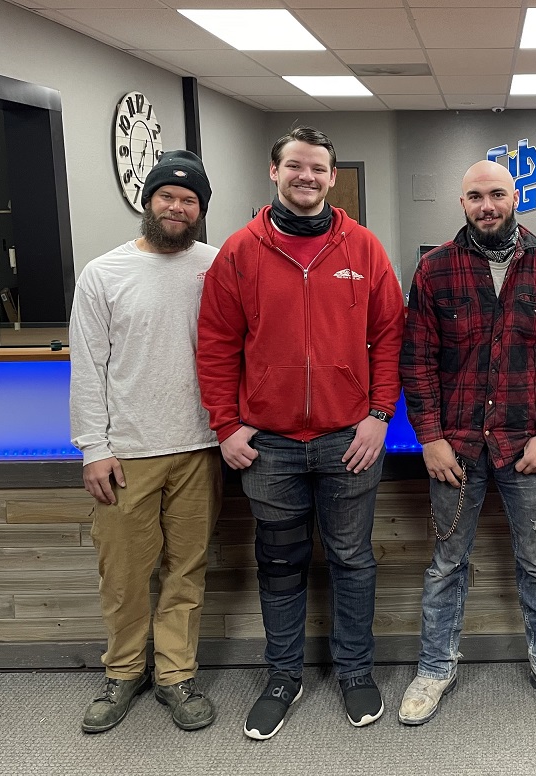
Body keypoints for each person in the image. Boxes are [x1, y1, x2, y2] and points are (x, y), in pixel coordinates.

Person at [197, 126, 405, 739]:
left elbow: (391, 334)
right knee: (280, 563)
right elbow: (215, 346)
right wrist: (226, 426)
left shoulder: (363, 249)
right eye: (295, 167)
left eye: (317, 169)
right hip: (269, 446)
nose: (306, 177)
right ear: (274, 172)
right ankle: (283, 676)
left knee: (351, 561)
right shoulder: (240, 251)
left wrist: (378, 415)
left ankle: (355, 671)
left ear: (331, 178)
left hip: (349, 440)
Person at [397, 159, 536, 725]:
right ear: (462, 203)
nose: (487, 205)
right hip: (455, 449)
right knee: (445, 565)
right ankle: (434, 669)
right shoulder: (434, 269)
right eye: (476, 196)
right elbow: (418, 361)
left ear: (515, 198)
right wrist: (429, 438)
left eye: (497, 194)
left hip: (526, 450)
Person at [69, 150, 221, 734]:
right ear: (147, 201)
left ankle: (176, 675)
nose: (178, 208)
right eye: (168, 197)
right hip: (126, 452)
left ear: (201, 210)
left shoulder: (218, 265)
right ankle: (124, 671)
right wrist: (94, 446)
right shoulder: (104, 273)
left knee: (187, 568)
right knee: (126, 572)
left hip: (201, 446)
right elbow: (88, 365)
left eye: (189, 201)